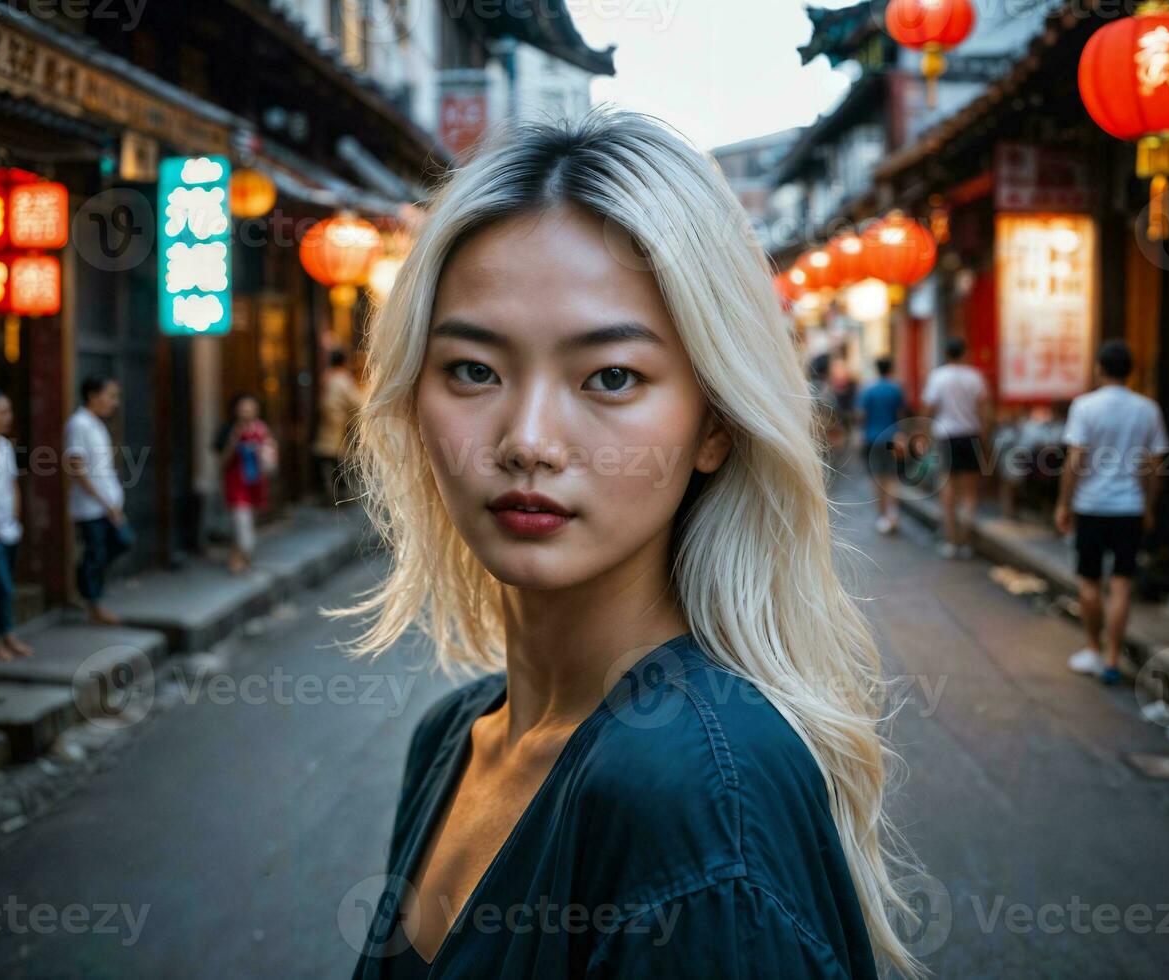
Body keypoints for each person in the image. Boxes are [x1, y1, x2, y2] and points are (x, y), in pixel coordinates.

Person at [339, 114, 920, 980]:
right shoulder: (450, 739)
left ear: (713, 423)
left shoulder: (695, 796)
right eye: (472, 369)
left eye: (611, 377)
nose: (529, 440)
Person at [1055, 340, 1169, 685]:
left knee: (1089, 582)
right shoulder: (1148, 409)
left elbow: (1075, 460)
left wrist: (1064, 503)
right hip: (1129, 508)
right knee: (1121, 585)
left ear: (1099, 369)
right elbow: (1155, 464)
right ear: (1130, 372)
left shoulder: (1085, 406)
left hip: (1091, 507)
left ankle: (1092, 647)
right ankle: (1113, 658)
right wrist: (1148, 506)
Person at [64, 375, 131, 625]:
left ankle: (88, 586)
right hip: (91, 507)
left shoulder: (97, 424)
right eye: (110, 396)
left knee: (120, 543)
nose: (114, 402)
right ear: (93, 396)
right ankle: (92, 600)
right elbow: (77, 468)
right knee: (97, 554)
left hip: (107, 505)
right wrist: (105, 503)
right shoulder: (79, 424)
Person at [922, 338, 988, 559]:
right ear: (965, 353)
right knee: (969, 492)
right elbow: (983, 410)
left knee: (948, 488)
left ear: (946, 354)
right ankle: (966, 540)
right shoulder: (974, 377)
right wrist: (985, 438)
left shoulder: (938, 377)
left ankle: (951, 540)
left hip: (946, 436)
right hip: (970, 436)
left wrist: (924, 434)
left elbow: (929, 408)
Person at [0, 390, 32, 660]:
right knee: (1, 585)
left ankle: (7, 635)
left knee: (3, 584)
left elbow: (13, 483)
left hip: (9, 527)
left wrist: (16, 515)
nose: (8, 417)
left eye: (8, 411)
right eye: (2, 412)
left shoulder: (4, 446)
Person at [214, 394, 277, 575]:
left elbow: (270, 457)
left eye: (250, 408)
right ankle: (244, 555)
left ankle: (238, 556)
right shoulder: (230, 431)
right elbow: (222, 462)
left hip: (256, 483)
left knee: (247, 523)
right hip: (236, 483)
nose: (246, 412)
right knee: (242, 522)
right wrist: (233, 443)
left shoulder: (262, 430)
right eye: (243, 408)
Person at [857, 355, 907, 534]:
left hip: (872, 438)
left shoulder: (869, 390)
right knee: (892, 477)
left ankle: (882, 516)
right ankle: (893, 515)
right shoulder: (896, 389)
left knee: (877, 478)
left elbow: (862, 416)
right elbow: (901, 414)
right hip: (893, 438)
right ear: (891, 368)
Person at [312, 348, 363, 506]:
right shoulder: (342, 379)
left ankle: (328, 491)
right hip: (338, 422)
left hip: (327, 421)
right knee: (338, 459)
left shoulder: (326, 377)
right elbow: (355, 401)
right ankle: (338, 494)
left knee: (327, 454)